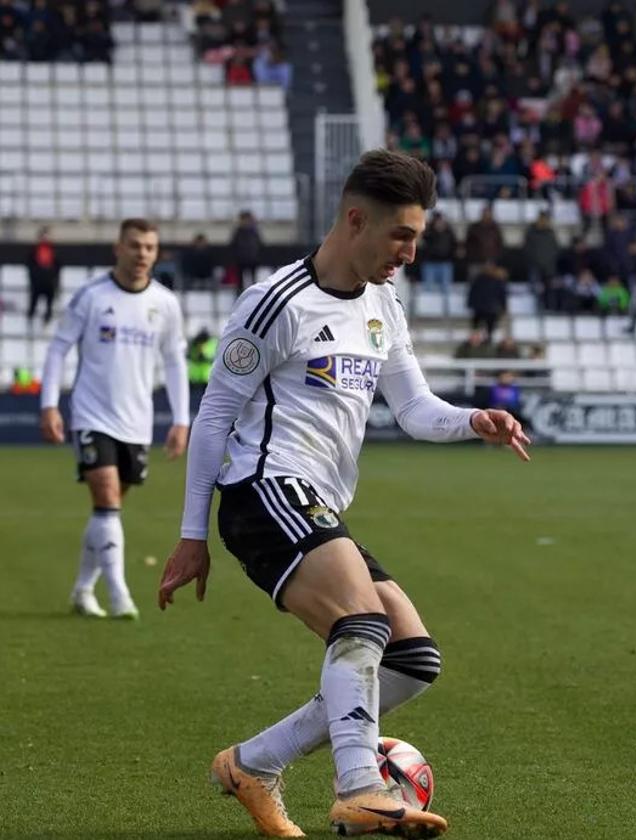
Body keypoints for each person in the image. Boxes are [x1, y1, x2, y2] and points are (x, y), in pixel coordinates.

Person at [156, 150, 530, 839]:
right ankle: (361, 786)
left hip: (318, 506)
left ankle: (252, 764)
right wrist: (191, 534)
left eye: (416, 236)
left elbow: (415, 409)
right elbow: (213, 417)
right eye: (402, 236)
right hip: (264, 490)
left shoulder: (384, 302)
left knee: (413, 660)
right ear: (355, 220)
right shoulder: (276, 304)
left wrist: (471, 420)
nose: (411, 253)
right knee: (361, 624)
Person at [39, 218, 190, 620]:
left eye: (149, 247)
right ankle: (120, 594)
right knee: (106, 500)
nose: (142, 254)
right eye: (135, 245)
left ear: (156, 254)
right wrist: (49, 404)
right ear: (118, 249)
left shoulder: (165, 304)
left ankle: (82, 590)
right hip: (91, 414)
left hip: (136, 421)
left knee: (108, 510)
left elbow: (175, 362)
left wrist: (181, 420)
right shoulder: (91, 296)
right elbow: (57, 349)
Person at [27, 226, 61, 327]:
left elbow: (57, 267)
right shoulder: (34, 251)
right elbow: (30, 266)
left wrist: (54, 279)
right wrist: (35, 278)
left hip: (49, 282)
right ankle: (29, 323)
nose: (45, 238)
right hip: (37, 283)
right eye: (43, 236)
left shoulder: (53, 250)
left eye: (47, 236)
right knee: (33, 304)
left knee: (49, 305)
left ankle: (46, 323)